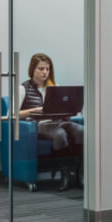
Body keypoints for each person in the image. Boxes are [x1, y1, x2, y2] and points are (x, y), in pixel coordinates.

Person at [18, 53, 84, 192]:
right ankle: (64, 176)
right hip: (40, 125)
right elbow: (12, 114)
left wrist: (68, 112)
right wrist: (36, 109)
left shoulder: (55, 87)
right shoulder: (23, 88)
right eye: (41, 69)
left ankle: (79, 173)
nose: (45, 72)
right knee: (59, 134)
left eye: (47, 69)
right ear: (33, 69)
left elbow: (62, 110)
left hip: (59, 121)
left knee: (81, 131)